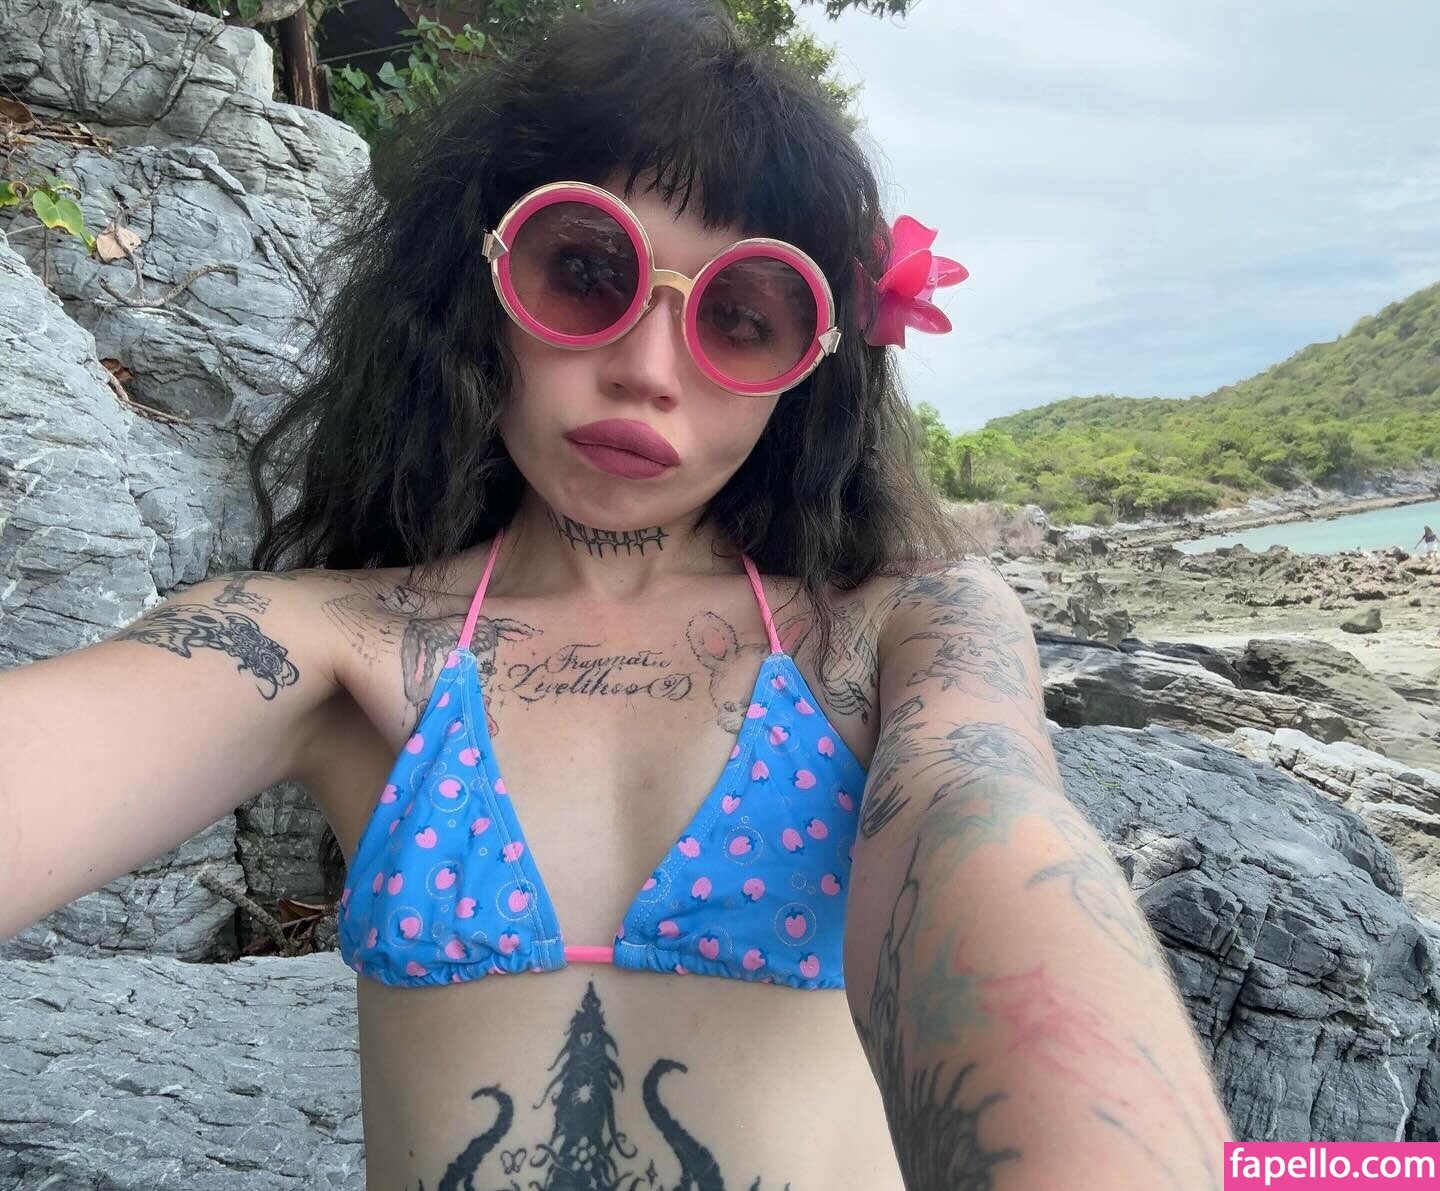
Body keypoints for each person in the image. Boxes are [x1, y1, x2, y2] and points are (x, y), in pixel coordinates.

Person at [0, 2, 1231, 1186]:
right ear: (482, 282)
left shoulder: (900, 628)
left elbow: (984, 825)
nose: (647, 367)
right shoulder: (329, 647)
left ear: (809, 368)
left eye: (741, 317)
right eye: (587, 270)